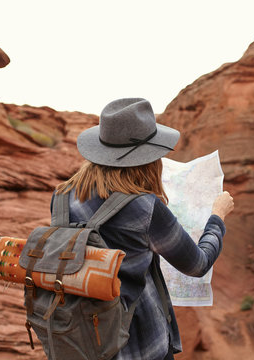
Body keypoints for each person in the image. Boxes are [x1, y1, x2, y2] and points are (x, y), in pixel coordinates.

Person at [53, 98, 234, 360]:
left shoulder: (62, 196)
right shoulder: (144, 208)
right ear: (148, 157)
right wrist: (217, 216)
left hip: (80, 338)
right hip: (139, 345)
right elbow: (197, 264)